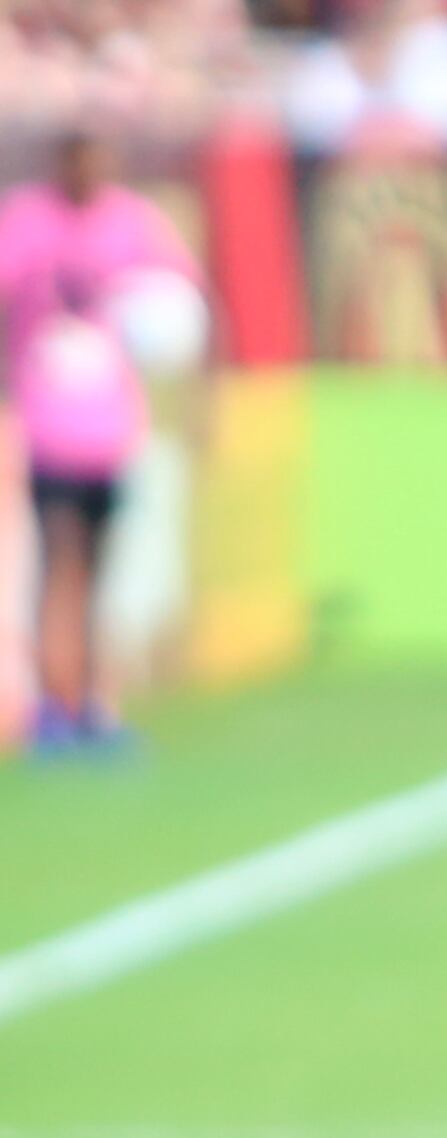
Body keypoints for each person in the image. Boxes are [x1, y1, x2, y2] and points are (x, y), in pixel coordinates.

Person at [0, 127, 194, 758]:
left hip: (109, 433)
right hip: (51, 429)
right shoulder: (26, 223)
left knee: (100, 572)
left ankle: (92, 704)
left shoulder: (132, 224)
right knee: (61, 565)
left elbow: (180, 307)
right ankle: (56, 705)